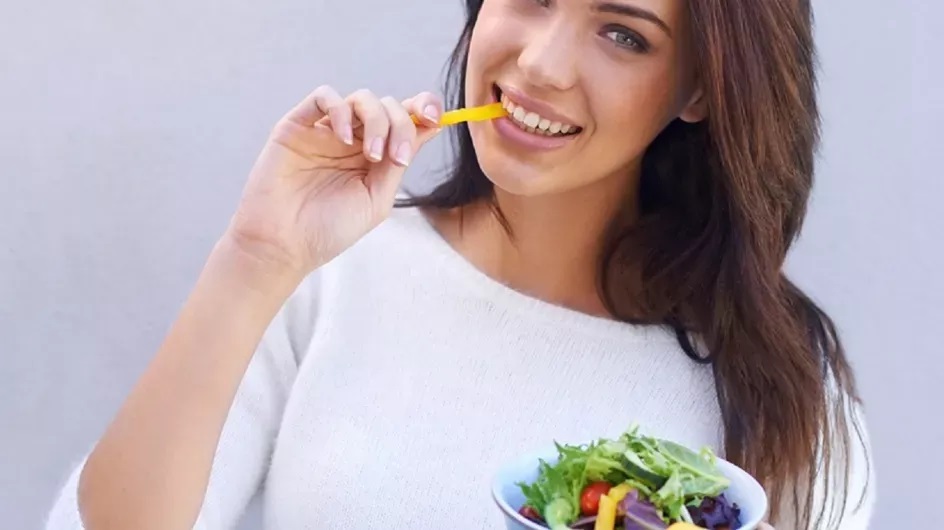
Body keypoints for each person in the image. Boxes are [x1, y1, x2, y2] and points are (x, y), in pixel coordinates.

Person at [45, 0, 875, 528]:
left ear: (699, 87)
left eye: (623, 34)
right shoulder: (330, 273)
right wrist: (256, 258)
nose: (543, 65)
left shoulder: (782, 384)